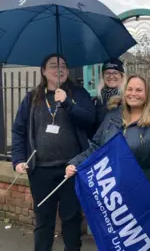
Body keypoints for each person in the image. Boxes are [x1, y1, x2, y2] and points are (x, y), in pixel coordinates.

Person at [11, 54, 95, 251]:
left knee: (72, 220)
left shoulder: (78, 93)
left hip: (71, 170)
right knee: (43, 221)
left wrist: (68, 103)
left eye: (64, 66)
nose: (60, 69)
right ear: (43, 71)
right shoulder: (32, 98)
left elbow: (90, 120)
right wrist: (17, 159)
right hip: (40, 171)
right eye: (53, 66)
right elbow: (18, 130)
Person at [65, 75, 150, 210]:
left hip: (144, 192)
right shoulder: (112, 117)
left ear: (147, 94)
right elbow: (96, 148)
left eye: (139, 90)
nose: (133, 94)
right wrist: (75, 163)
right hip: (114, 194)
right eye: (130, 89)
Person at [89, 58, 125, 137]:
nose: (111, 76)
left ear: (121, 76)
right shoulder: (96, 101)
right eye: (107, 73)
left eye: (115, 73)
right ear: (103, 76)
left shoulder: (127, 99)